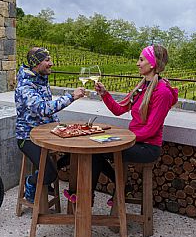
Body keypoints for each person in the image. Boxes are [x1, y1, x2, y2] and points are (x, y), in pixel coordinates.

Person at [93, 45, 178, 205]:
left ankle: (108, 191)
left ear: (152, 63)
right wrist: (104, 94)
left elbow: (150, 130)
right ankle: (117, 189)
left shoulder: (162, 92)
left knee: (97, 150)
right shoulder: (142, 87)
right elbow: (118, 110)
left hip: (147, 147)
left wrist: (121, 138)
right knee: (94, 148)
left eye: (141, 59)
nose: (137, 63)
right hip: (133, 141)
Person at [15, 47, 85, 203]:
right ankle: (33, 181)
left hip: (47, 133)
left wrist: (59, 126)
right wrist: (71, 97)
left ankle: (47, 176)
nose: (51, 63)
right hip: (27, 137)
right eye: (47, 60)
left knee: (78, 153)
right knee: (50, 175)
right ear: (36, 63)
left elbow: (48, 111)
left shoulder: (40, 79)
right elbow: (42, 109)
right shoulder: (25, 86)